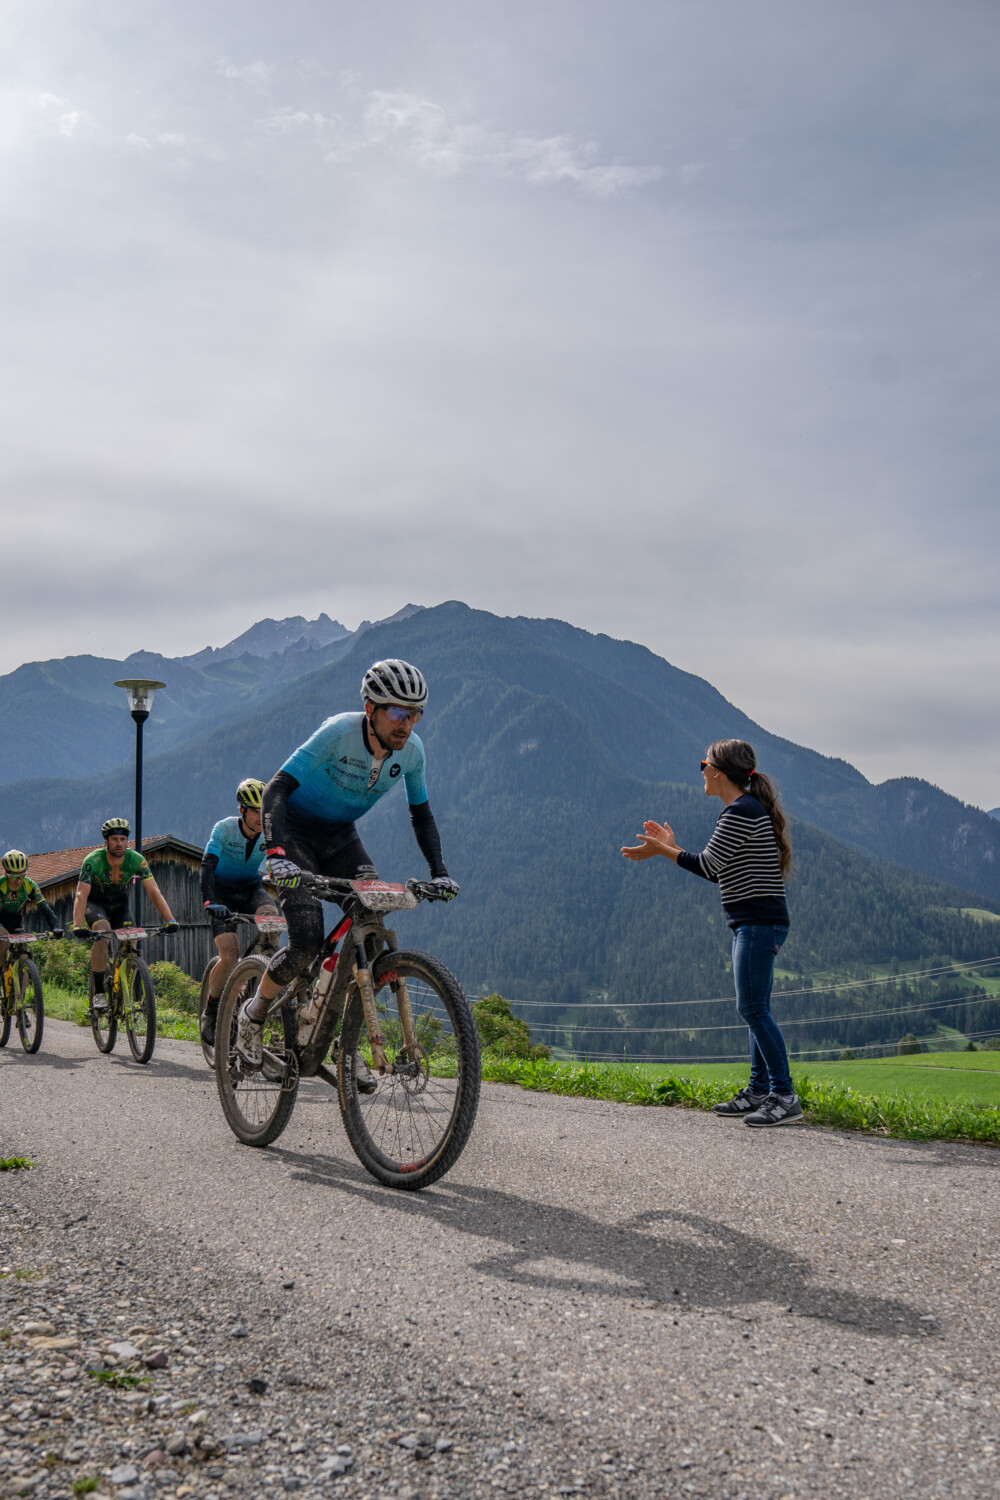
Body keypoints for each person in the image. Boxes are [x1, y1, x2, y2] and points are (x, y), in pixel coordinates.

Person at [236, 659, 459, 1066]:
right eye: (397, 712)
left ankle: (348, 1043)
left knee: (370, 928)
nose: (407, 724)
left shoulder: (412, 752)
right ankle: (253, 1014)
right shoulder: (339, 733)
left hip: (341, 837)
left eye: (415, 714)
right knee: (305, 943)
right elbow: (277, 788)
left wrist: (439, 872)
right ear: (371, 709)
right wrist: (276, 853)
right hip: (295, 834)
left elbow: (421, 814)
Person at [621, 738, 800, 1127]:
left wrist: (663, 850)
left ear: (718, 772)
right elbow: (717, 868)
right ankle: (759, 1090)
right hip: (756, 921)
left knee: (752, 1008)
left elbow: (708, 866)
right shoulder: (744, 810)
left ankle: (784, 1095)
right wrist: (670, 847)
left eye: (704, 765)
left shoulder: (741, 811)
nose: (701, 771)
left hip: (758, 923)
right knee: (756, 1008)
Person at [199, 778, 280, 1048]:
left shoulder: (269, 832)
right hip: (221, 893)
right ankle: (211, 1012)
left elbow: (278, 862)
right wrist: (209, 901)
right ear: (242, 810)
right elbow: (207, 867)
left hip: (250, 889)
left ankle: (257, 984)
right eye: (255, 811)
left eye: (263, 810)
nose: (260, 817)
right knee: (230, 955)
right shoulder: (224, 829)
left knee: (272, 921)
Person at [72, 818, 179, 1008]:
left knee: (132, 939)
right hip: (95, 904)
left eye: (123, 839)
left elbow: (154, 891)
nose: (119, 843)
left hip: (120, 904)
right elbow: (81, 895)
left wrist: (170, 920)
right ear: (106, 842)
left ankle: (124, 990)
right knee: (102, 934)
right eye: (114, 839)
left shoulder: (136, 860)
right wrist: (78, 925)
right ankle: (99, 992)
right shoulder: (93, 861)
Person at [0, 851, 63, 967]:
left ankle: (23, 975)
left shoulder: (29, 885)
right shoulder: (1, 885)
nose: (18, 880)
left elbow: (45, 908)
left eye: (22, 875)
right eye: (13, 876)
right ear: (6, 874)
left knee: (23, 954)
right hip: (1, 920)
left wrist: (55, 927)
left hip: (16, 921)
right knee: (3, 943)